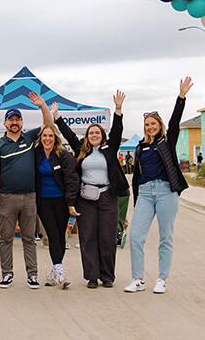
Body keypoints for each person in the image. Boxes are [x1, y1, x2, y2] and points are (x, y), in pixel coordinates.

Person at [52, 91, 129, 288]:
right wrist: (57, 117)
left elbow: (118, 131)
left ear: (102, 135)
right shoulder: (81, 150)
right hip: (86, 198)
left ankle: (107, 276)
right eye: (91, 132)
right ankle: (92, 276)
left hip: (108, 197)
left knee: (107, 237)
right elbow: (68, 134)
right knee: (87, 237)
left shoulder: (109, 149)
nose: (94, 135)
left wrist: (118, 110)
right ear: (87, 136)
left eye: (97, 132)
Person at [124, 77, 192, 295]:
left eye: (153, 124)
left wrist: (181, 97)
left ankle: (162, 279)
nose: (150, 127)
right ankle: (138, 279)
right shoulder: (140, 146)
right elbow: (137, 175)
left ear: (159, 126)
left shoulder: (167, 141)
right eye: (146, 124)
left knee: (166, 237)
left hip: (165, 192)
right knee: (135, 237)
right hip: (145, 193)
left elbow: (175, 122)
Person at [0, 92, 51, 289]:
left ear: (22, 122)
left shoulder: (30, 137)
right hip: (6, 197)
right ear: (5, 123)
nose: (14, 123)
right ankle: (7, 274)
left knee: (29, 239)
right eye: (11, 120)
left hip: (30, 196)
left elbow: (49, 125)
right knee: (5, 238)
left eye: (17, 119)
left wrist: (42, 106)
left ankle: (32, 275)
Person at [33, 119, 80, 289]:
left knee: (61, 236)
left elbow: (72, 180)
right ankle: (60, 272)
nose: (47, 139)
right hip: (43, 201)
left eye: (50, 136)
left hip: (61, 201)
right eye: (44, 135)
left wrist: (70, 202)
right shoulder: (36, 154)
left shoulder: (64, 156)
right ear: (41, 137)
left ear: (55, 138)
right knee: (52, 235)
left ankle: (53, 272)